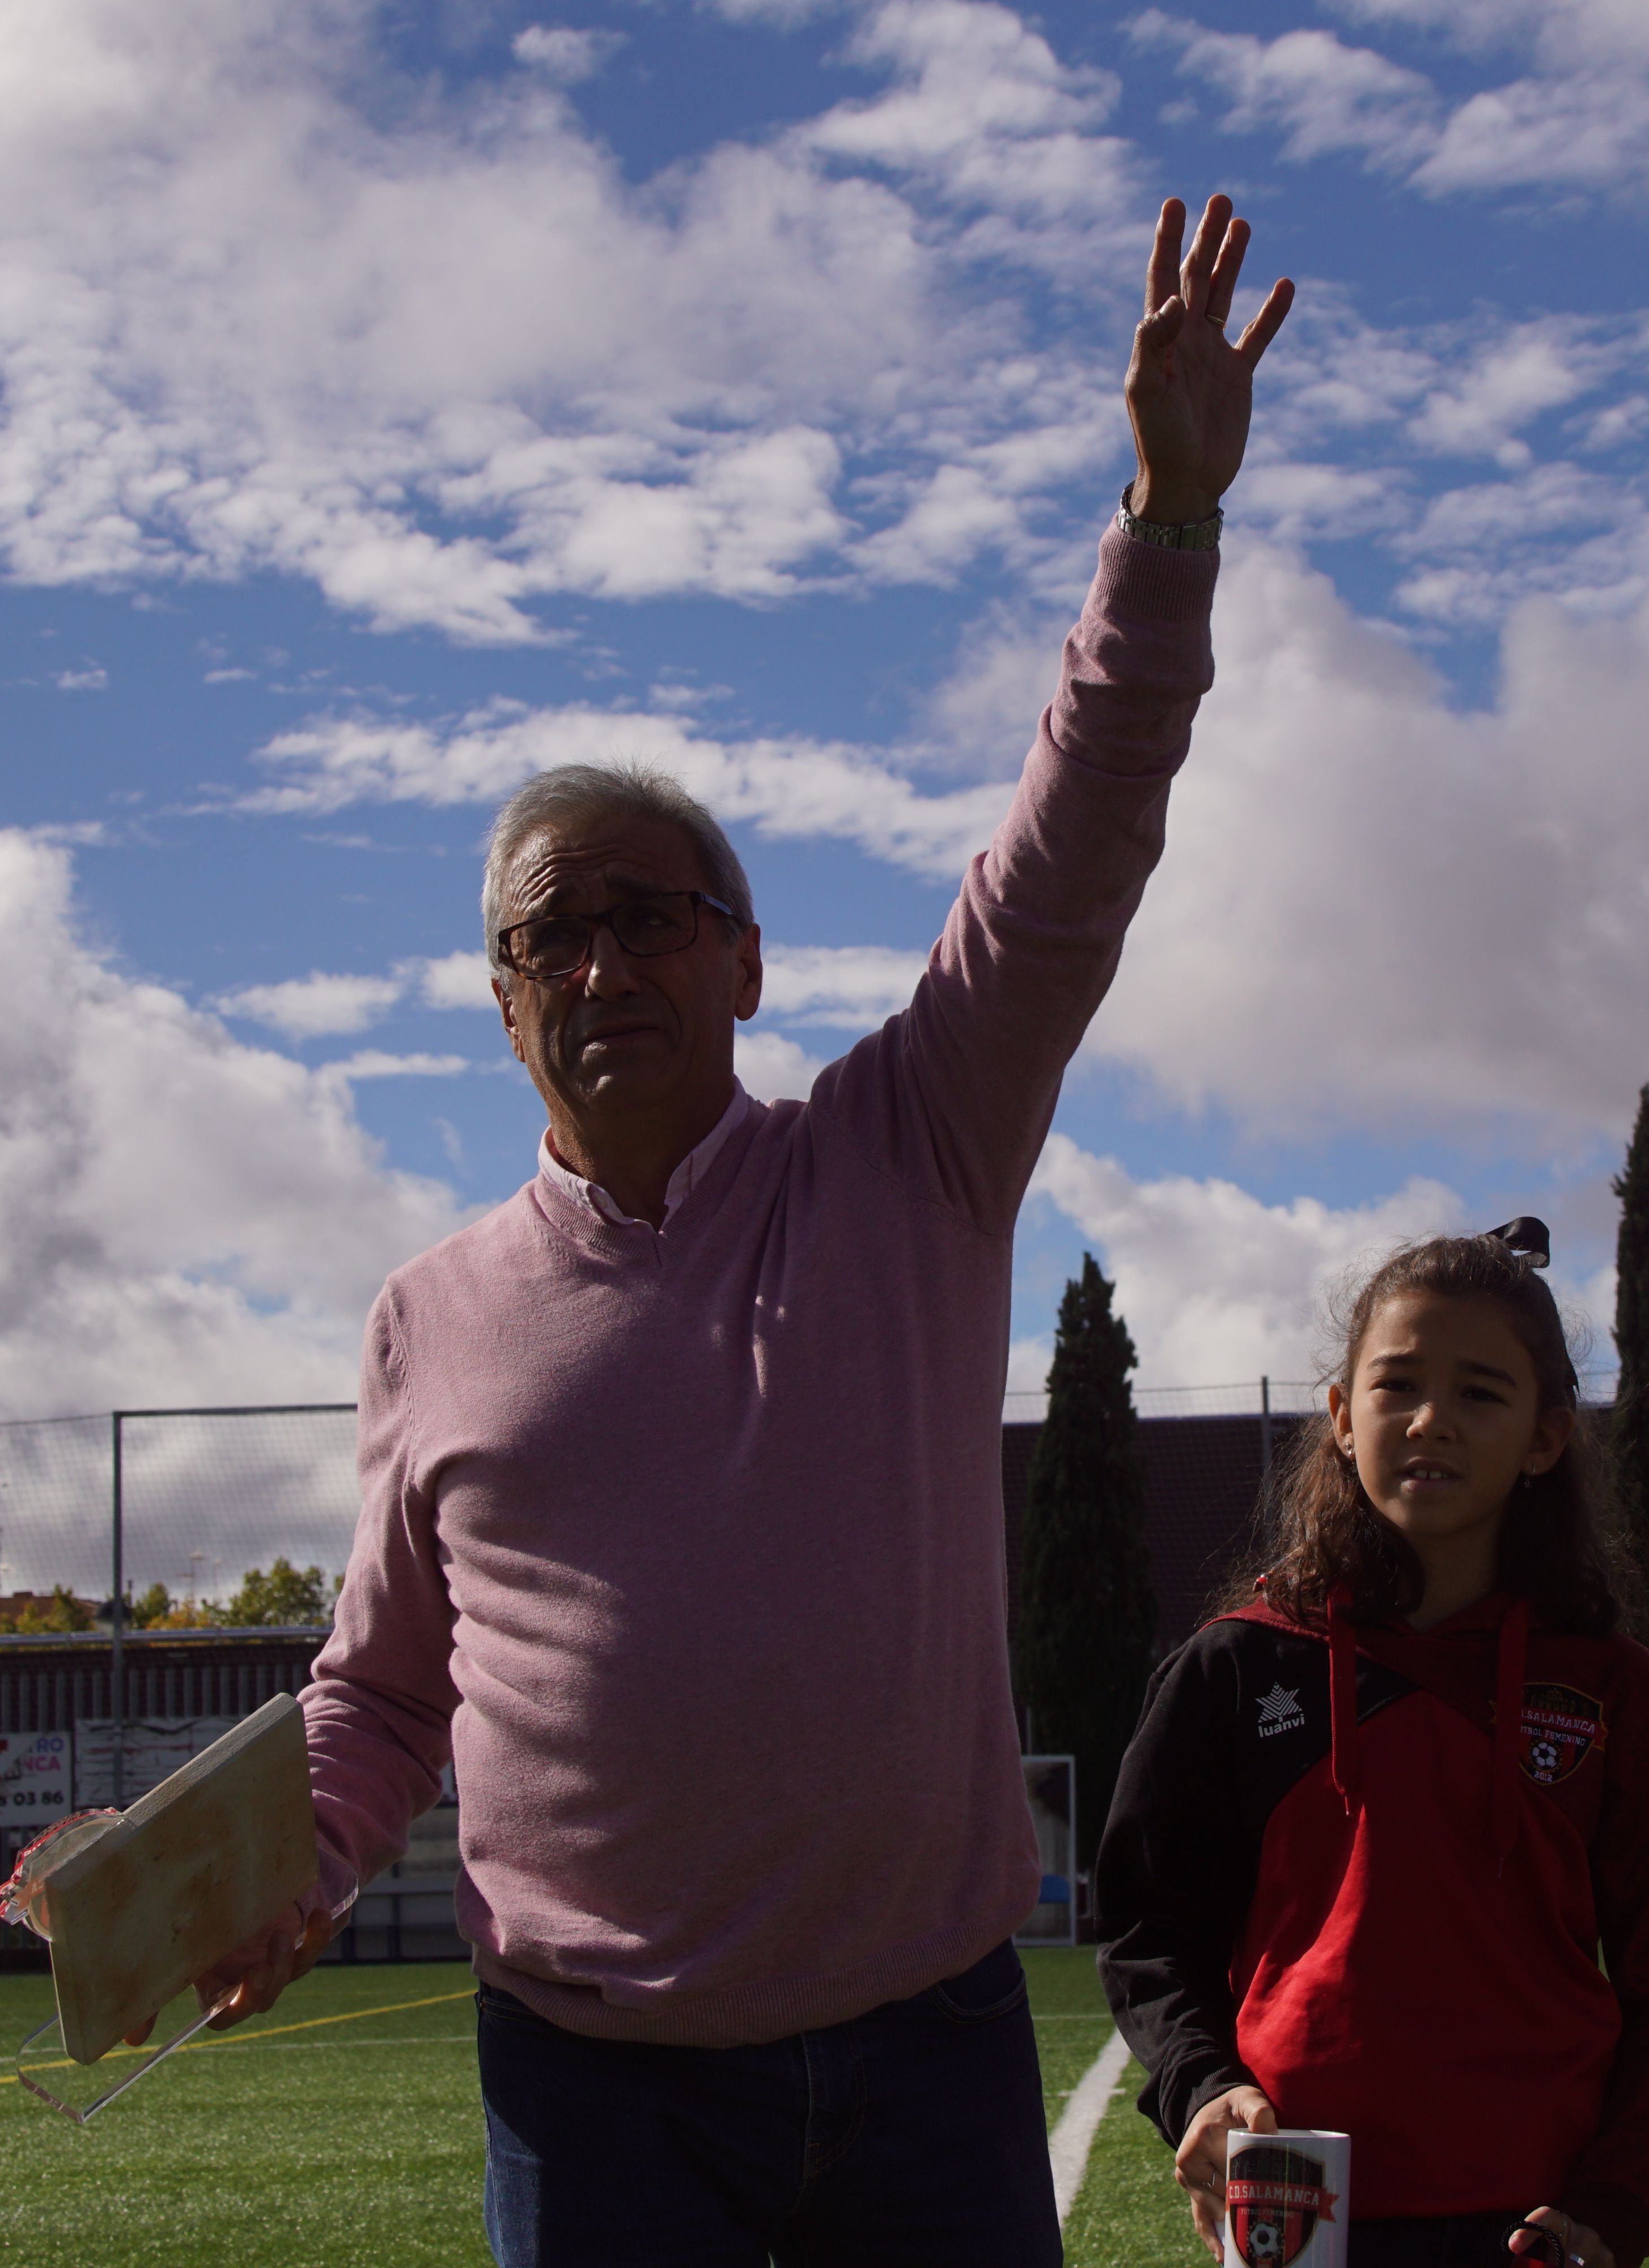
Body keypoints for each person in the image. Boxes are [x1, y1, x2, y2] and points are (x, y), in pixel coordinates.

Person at [166, 195, 1300, 2267]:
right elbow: (378, 1686)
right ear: (501, 995)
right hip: (589, 2085)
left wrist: (1164, 516)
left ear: (744, 959)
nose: (600, 961)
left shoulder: (911, 1151)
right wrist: (291, 1863)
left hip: (924, 2044)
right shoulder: (428, 1316)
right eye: (548, 931)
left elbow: (1075, 843)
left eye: (649, 913)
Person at [1097, 1234, 1649, 2268]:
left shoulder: (1623, 1697)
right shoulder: (1234, 1668)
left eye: (1480, 1394)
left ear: (1544, 1440)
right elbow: (1149, 1927)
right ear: (1341, 1417)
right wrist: (1205, 2084)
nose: (1431, 1419)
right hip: (1296, 2207)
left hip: (1532, 2224)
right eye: (1396, 1385)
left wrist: (1612, 2208)